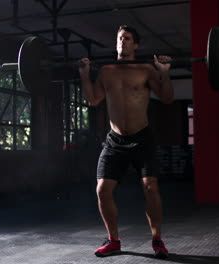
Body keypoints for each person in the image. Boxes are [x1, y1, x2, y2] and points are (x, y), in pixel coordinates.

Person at [79, 25, 174, 259]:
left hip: (142, 137)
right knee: (102, 190)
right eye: (119, 38)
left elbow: (167, 98)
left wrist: (164, 72)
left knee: (150, 187)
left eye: (127, 38)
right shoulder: (106, 71)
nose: (122, 41)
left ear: (135, 45)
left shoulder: (145, 69)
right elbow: (92, 99)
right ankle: (113, 241)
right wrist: (84, 75)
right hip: (115, 140)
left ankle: (157, 240)